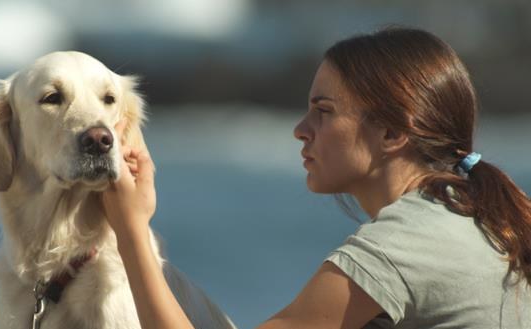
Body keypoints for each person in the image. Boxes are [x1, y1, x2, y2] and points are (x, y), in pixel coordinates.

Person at [101, 27, 531, 328]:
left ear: (392, 133)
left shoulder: (407, 243)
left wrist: (131, 229)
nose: (300, 129)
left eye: (324, 112)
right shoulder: (472, 217)